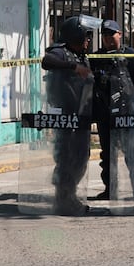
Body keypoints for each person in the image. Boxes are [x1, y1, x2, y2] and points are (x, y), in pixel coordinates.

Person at [40, 15, 96, 215]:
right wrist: (73, 67)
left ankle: (69, 196)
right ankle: (63, 199)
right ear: (76, 34)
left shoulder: (80, 54)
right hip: (66, 118)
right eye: (86, 36)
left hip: (80, 116)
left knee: (81, 158)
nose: (88, 41)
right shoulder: (61, 52)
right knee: (66, 158)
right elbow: (47, 61)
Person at [90, 19, 134, 202]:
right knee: (108, 154)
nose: (107, 39)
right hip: (105, 113)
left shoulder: (131, 55)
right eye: (104, 36)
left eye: (110, 35)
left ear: (120, 34)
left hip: (127, 112)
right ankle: (110, 190)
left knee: (132, 153)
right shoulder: (96, 58)